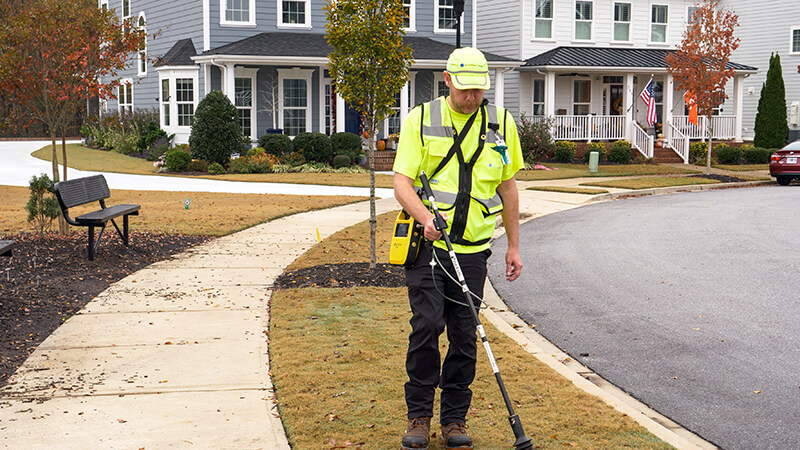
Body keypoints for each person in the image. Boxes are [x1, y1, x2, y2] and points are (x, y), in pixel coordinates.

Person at [393, 47, 523, 450]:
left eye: (478, 90)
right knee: (427, 327)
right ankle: (419, 417)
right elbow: (401, 182)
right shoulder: (421, 119)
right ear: (447, 81)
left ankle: (454, 419)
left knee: (466, 335)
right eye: (465, 89)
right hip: (430, 247)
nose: (472, 97)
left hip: (474, 250)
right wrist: (424, 218)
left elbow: (508, 186)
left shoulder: (501, 123)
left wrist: (514, 245)